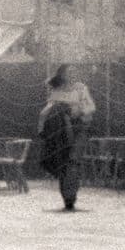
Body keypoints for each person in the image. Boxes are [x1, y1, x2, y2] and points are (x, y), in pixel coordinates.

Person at [37, 65, 96, 211]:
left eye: (74, 72)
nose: (72, 75)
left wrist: (79, 110)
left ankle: (71, 197)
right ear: (62, 75)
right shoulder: (56, 90)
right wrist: (42, 126)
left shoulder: (81, 88)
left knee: (73, 161)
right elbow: (48, 109)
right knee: (63, 162)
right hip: (61, 129)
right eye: (69, 72)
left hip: (79, 128)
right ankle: (67, 199)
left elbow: (91, 107)